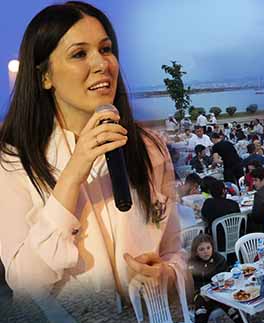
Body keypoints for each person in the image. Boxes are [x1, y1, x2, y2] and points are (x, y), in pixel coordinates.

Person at [0, 2, 185, 297]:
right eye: (79, 53)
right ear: (44, 76)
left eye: (106, 49)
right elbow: (25, 282)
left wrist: (167, 274)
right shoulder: (14, 161)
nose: (102, 64)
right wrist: (73, 173)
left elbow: (175, 250)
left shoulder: (149, 148)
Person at [188, 234, 251, 323]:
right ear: (196, 252)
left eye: (208, 248)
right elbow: (191, 284)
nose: (206, 252)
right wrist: (194, 297)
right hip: (202, 296)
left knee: (234, 311)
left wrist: (229, 282)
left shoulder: (219, 259)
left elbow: (226, 277)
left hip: (220, 293)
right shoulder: (192, 264)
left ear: (212, 247)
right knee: (200, 315)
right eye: (201, 249)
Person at [201, 179, 240, 252]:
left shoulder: (208, 204)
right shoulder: (233, 204)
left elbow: (204, 218)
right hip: (236, 236)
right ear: (223, 191)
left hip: (217, 240)